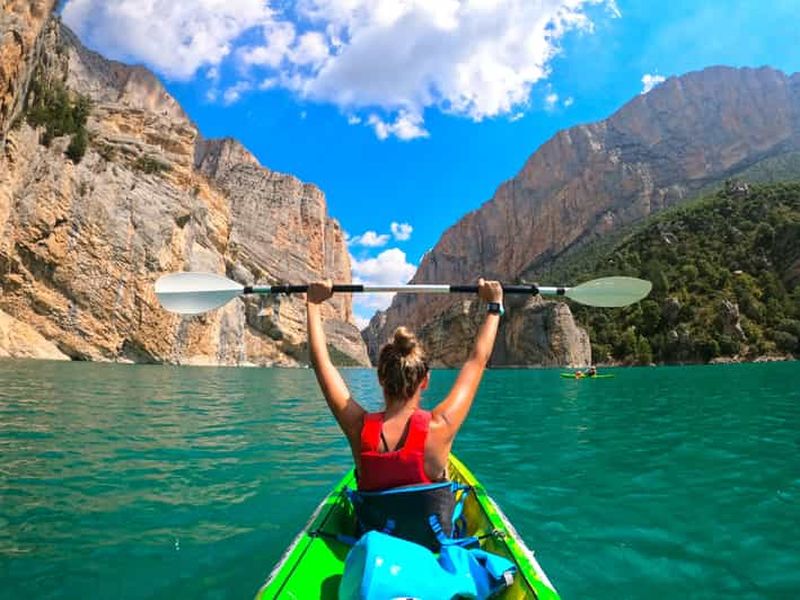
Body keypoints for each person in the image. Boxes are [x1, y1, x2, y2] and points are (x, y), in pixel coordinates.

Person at [305, 278, 504, 493]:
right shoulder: (442, 425)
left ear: (381, 378)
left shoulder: (358, 427)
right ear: (425, 380)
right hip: (428, 527)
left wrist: (313, 304)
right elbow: (477, 360)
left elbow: (321, 363)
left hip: (372, 526)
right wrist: (494, 306)